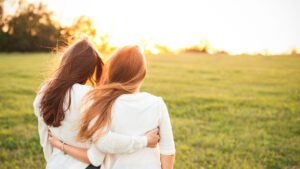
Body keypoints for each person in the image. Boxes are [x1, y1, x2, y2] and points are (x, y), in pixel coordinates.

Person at [33, 39, 159, 169]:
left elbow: (45, 140)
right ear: (91, 69)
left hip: (55, 164)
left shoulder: (45, 91)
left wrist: (58, 151)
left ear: (65, 60)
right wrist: (145, 141)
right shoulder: (90, 96)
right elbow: (96, 158)